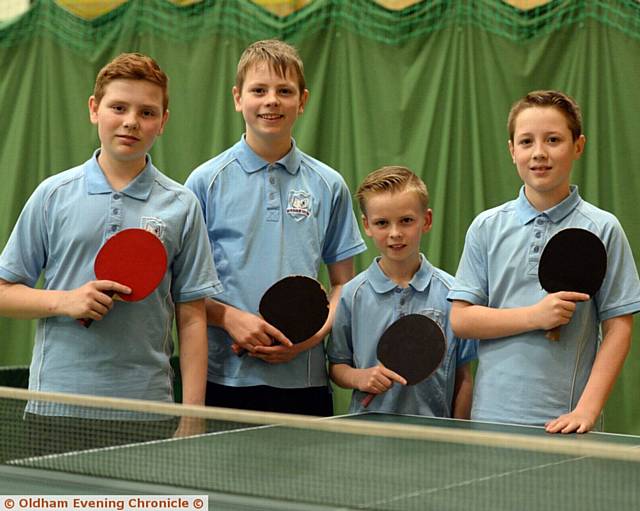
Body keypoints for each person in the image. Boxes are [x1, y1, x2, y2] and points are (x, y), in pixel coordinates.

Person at [0, 53, 221, 448]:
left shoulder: (182, 205)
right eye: (118, 107)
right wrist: (66, 301)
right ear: (94, 109)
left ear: (163, 121)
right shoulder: (52, 195)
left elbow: (192, 318)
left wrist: (193, 414)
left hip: (146, 409)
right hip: (55, 406)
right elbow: (3, 293)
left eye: (147, 112)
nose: (131, 121)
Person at [185, 39, 366, 416]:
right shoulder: (204, 182)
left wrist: (308, 338)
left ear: (302, 100)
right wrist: (230, 318)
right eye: (259, 90)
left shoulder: (328, 185)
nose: (272, 100)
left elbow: (342, 285)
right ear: (238, 98)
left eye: (284, 91)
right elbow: (180, 288)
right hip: (223, 378)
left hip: (305, 381)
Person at [448, 90, 640, 433]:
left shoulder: (603, 228)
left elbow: (619, 329)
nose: (539, 153)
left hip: (567, 424)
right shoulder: (486, 227)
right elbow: (461, 320)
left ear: (578, 146)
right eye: (526, 141)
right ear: (512, 151)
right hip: (491, 419)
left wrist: (586, 411)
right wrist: (534, 316)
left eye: (553, 139)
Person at [327, 166, 477, 417]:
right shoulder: (352, 294)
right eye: (382, 223)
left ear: (426, 221)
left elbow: (463, 379)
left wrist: (458, 438)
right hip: (368, 442)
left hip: (435, 440)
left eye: (406, 221)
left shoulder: (453, 293)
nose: (395, 233)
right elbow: (337, 366)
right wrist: (360, 377)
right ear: (367, 225)